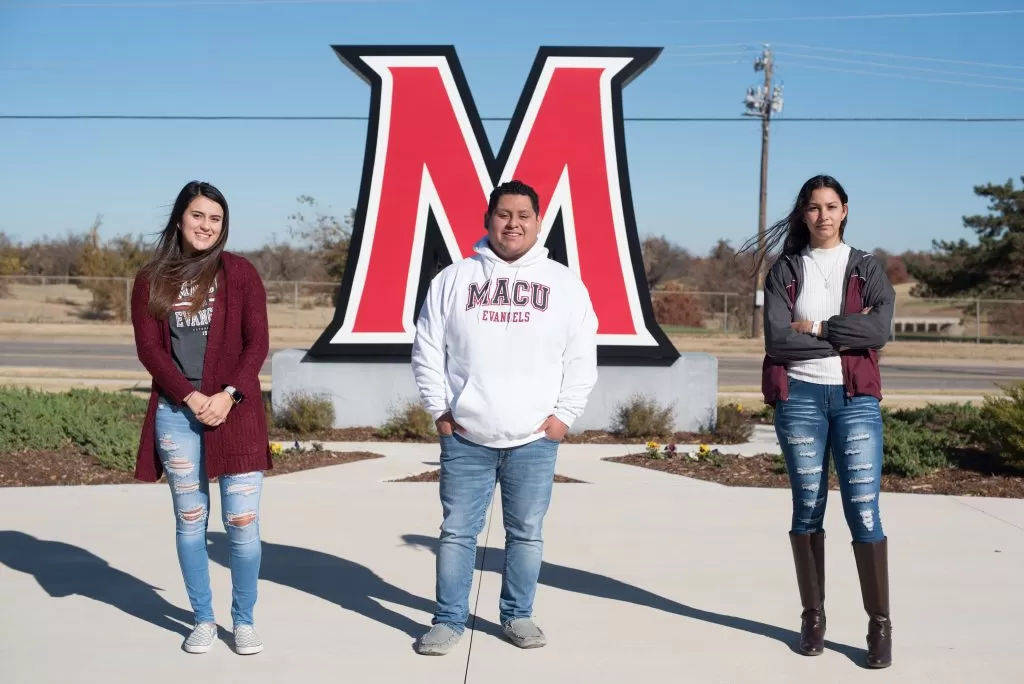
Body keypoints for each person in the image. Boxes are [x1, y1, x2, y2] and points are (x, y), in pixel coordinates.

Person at [409, 179, 599, 655]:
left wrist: (563, 418)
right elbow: (427, 351)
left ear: (538, 223)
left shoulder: (564, 285)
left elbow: (581, 358)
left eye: (523, 216)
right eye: (504, 215)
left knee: (526, 534)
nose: (513, 224)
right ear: (487, 220)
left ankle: (517, 616)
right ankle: (448, 620)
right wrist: (440, 411)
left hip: (533, 440)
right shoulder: (453, 280)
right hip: (467, 436)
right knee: (456, 533)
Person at [744, 174, 895, 669]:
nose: (823, 215)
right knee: (807, 508)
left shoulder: (866, 268)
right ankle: (813, 618)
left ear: (845, 210)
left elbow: (879, 331)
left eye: (832, 206)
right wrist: (845, 337)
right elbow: (778, 342)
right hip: (802, 397)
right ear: (803, 213)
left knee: (864, 511)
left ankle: (879, 626)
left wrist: (820, 327)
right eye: (814, 207)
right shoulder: (785, 270)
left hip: (855, 400)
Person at [130, 180, 272, 656]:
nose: (206, 225)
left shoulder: (241, 273)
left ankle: (245, 620)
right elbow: (150, 350)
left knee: (242, 523)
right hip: (178, 413)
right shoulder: (151, 279)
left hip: (237, 413)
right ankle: (204, 620)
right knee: (191, 521)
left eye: (215, 218)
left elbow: (258, 344)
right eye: (198, 216)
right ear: (180, 219)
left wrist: (228, 394)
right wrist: (192, 398)